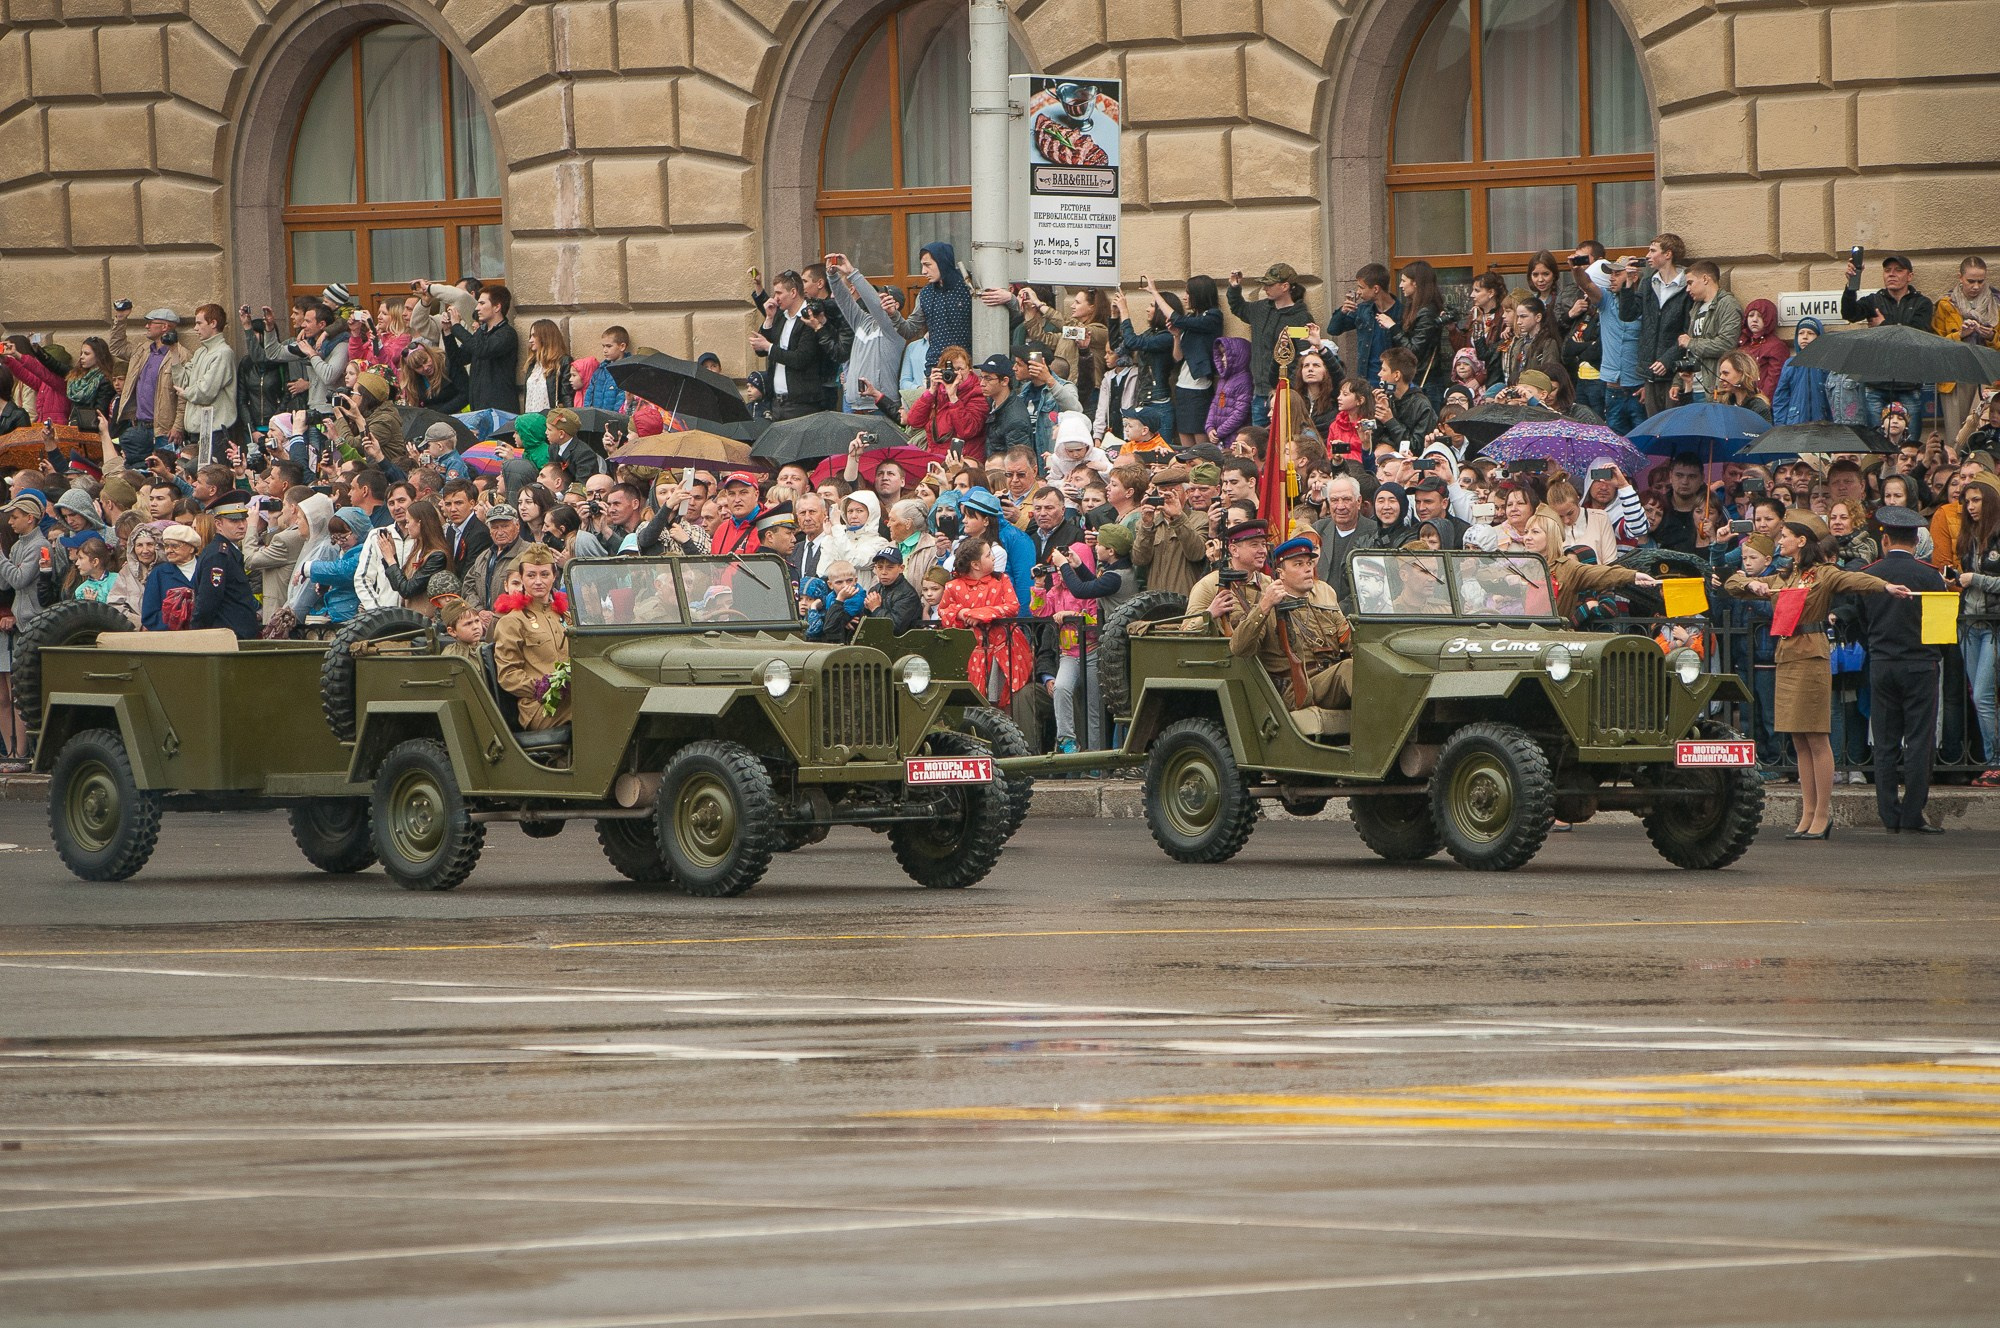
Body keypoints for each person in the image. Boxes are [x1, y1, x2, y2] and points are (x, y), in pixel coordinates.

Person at [1726, 511, 1911, 839]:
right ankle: (1807, 812)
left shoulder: (1822, 574)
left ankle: (1822, 814)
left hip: (1811, 655)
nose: (1779, 540)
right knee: (1798, 738)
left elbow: (1854, 580)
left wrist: (1885, 585)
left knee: (1815, 736)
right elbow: (1732, 582)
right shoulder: (1786, 575)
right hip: (1787, 654)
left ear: (1801, 541)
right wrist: (1751, 582)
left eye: (1784, 536)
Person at [1844, 505, 1949, 833]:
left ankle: (1889, 814)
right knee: (1920, 740)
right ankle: (1913, 813)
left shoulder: (1870, 573)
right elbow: (1942, 627)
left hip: (1882, 663)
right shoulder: (1930, 575)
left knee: (1886, 741)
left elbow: (1860, 619)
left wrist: (1876, 645)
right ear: (1917, 541)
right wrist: (1932, 653)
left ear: (1885, 539)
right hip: (1921, 664)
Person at [1230, 533, 1353, 712]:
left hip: (1328, 680)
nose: (1307, 569)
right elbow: (1238, 648)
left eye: (1309, 563)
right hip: (1297, 690)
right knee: (1350, 669)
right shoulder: (1268, 611)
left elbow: (1353, 642)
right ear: (1281, 574)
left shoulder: (1325, 609)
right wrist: (1264, 606)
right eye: (1298, 564)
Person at [936, 537, 1033, 706]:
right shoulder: (953, 586)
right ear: (975, 564)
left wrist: (979, 614)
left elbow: (1012, 606)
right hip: (972, 654)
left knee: (1004, 699)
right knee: (976, 702)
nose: (994, 558)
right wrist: (962, 613)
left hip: (1004, 649)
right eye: (988, 555)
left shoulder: (1001, 579)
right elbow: (943, 611)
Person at [1842, 253, 1937, 425]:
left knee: (1910, 446)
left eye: (1898, 270)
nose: (1891, 274)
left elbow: (1916, 335)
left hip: (1909, 384)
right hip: (1875, 383)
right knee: (1876, 443)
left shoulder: (1922, 303)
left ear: (1910, 276)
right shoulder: (1874, 300)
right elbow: (1849, 313)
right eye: (1887, 270)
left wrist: (1883, 324)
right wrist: (1851, 285)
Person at [1950, 469, 2000, 785]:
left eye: (1977, 499)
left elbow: (1983, 581)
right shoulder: (1968, 538)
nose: (1971, 506)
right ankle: (1991, 762)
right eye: (1967, 500)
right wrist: (1956, 582)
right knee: (1978, 696)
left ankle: (1995, 761)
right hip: (1969, 624)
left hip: (1995, 625)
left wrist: (1976, 579)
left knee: (1983, 695)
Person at [1227, 262, 1317, 426]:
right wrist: (1234, 288)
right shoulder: (1261, 308)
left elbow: (1304, 356)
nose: (1265, 288)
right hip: (1259, 392)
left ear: (1285, 286)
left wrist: (1291, 386)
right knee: (1259, 441)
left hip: (1285, 393)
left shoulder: (1301, 317)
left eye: (1269, 284)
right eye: (1264, 284)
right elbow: (1239, 308)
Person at [492, 544, 571, 731]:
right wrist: (539, 687)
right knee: (593, 711)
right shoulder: (513, 621)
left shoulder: (565, 616)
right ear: (522, 578)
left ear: (554, 577)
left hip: (572, 698)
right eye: (531, 575)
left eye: (544, 574)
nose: (538, 581)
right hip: (540, 706)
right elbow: (508, 675)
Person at [109, 304, 192, 466]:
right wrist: (120, 318)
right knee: (137, 472)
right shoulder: (143, 350)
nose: (146, 326)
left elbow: (184, 395)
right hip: (139, 426)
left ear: (165, 327)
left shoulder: (182, 355)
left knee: (164, 472)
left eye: (151, 323)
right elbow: (117, 347)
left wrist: (178, 426)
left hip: (165, 431)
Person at [1621, 233, 1692, 415]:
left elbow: (1688, 331)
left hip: (1674, 370)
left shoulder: (1686, 286)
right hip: (1650, 370)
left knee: (1674, 423)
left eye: (1653, 251)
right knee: (1654, 426)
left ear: (1668, 254)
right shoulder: (1648, 282)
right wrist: (1628, 283)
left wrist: (1668, 359)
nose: (1647, 255)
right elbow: (1628, 314)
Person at [191, 493, 260, 638]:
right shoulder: (218, 555)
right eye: (234, 521)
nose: (241, 525)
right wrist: (198, 635)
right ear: (218, 524)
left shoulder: (229, 551)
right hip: (227, 636)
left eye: (243, 519)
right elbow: (208, 601)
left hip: (236, 634)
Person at [445, 284, 520, 413]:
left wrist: (457, 326)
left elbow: (482, 350)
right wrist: (448, 332)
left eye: (482, 303)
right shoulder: (481, 332)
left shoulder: (507, 333)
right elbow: (459, 358)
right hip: (479, 406)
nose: (477, 308)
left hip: (500, 409)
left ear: (497, 307)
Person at [141, 521, 204, 630]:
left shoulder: (205, 569)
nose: (169, 551)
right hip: (171, 638)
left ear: (191, 548)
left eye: (175, 546)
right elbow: (149, 616)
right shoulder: (159, 574)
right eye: (166, 546)